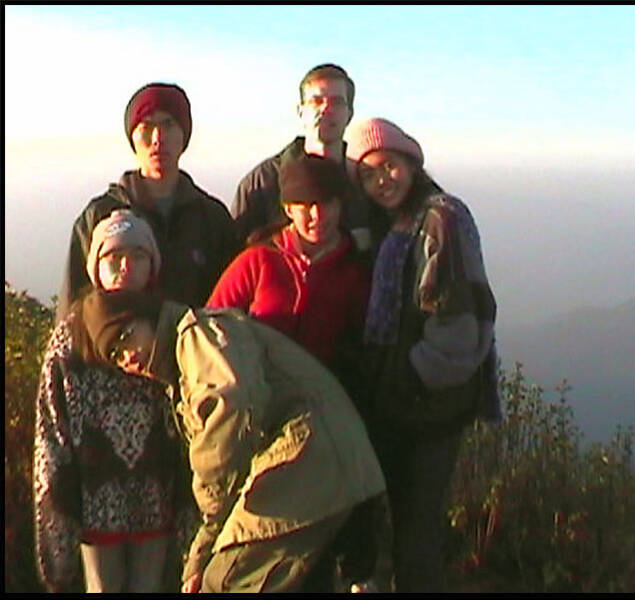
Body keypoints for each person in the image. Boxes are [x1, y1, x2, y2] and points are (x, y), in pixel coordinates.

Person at [76, 288, 387, 593]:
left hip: (310, 465)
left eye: (126, 334)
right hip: (333, 469)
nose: (128, 356)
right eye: (115, 355)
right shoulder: (185, 363)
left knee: (221, 584)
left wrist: (208, 528)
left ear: (146, 316)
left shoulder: (197, 335)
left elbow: (230, 408)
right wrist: (202, 550)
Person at [345, 118, 502, 592]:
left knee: (415, 535)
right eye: (368, 175)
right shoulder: (395, 225)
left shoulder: (440, 219)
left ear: (411, 163)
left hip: (430, 410)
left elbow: (458, 324)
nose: (381, 180)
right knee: (394, 526)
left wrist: (408, 378)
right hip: (402, 407)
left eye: (389, 166)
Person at [34, 211, 190, 592]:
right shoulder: (73, 335)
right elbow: (52, 426)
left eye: (137, 256)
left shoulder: (171, 325)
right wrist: (57, 515)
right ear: (94, 267)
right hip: (95, 505)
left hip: (156, 501)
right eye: (113, 257)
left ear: (153, 264)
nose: (125, 266)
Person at [55, 82, 238, 323]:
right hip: (118, 347)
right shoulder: (100, 215)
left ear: (184, 135)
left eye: (168, 125)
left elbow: (233, 307)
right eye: (146, 127)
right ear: (132, 137)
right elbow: (72, 312)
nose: (157, 138)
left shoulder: (211, 219)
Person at [208, 152, 370, 406]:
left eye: (327, 203)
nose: (317, 215)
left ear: (340, 205)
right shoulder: (257, 261)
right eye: (305, 205)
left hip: (326, 402)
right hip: (257, 398)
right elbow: (210, 327)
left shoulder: (354, 271)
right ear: (288, 209)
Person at [232, 64, 371, 252]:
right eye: (316, 101)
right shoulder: (263, 181)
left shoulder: (363, 181)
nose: (325, 109)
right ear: (301, 112)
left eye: (337, 102)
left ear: (350, 114)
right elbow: (234, 252)